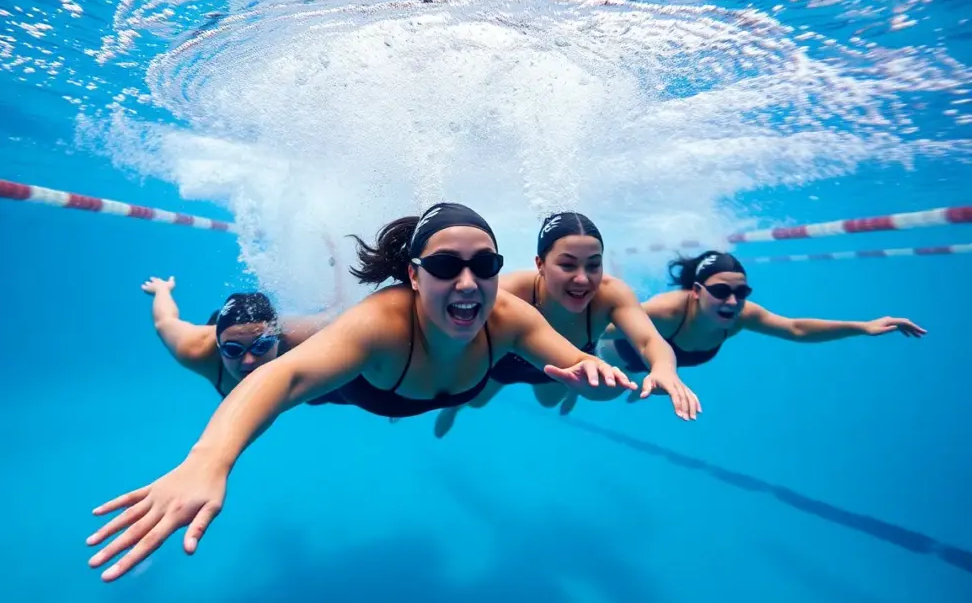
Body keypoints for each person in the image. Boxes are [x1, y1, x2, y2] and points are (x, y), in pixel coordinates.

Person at [87, 202, 637, 582]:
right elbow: (281, 379)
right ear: (414, 275)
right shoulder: (379, 326)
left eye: (485, 265)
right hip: (357, 381)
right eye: (447, 266)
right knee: (294, 340)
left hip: (432, 383)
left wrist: (599, 378)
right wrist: (208, 460)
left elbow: (584, 366)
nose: (469, 282)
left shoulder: (509, 316)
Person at [433, 211, 700, 438]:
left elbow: (649, 340)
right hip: (502, 364)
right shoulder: (509, 291)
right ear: (540, 264)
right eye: (567, 265)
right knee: (476, 401)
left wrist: (664, 369)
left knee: (548, 401)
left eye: (593, 265)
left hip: (565, 368)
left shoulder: (611, 294)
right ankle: (455, 407)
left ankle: (573, 391)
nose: (582, 279)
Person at [604, 250, 926, 385]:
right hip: (617, 351)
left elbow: (795, 329)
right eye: (720, 291)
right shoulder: (666, 311)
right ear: (697, 291)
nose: (732, 301)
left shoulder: (742, 315)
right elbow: (592, 326)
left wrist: (863, 327)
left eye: (741, 292)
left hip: (653, 369)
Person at [140, 235, 346, 398]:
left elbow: (339, 313)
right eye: (233, 350)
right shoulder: (195, 349)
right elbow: (165, 321)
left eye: (261, 346)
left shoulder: (294, 337)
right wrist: (162, 290)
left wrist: (337, 256)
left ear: (277, 338)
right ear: (219, 346)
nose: (248, 361)